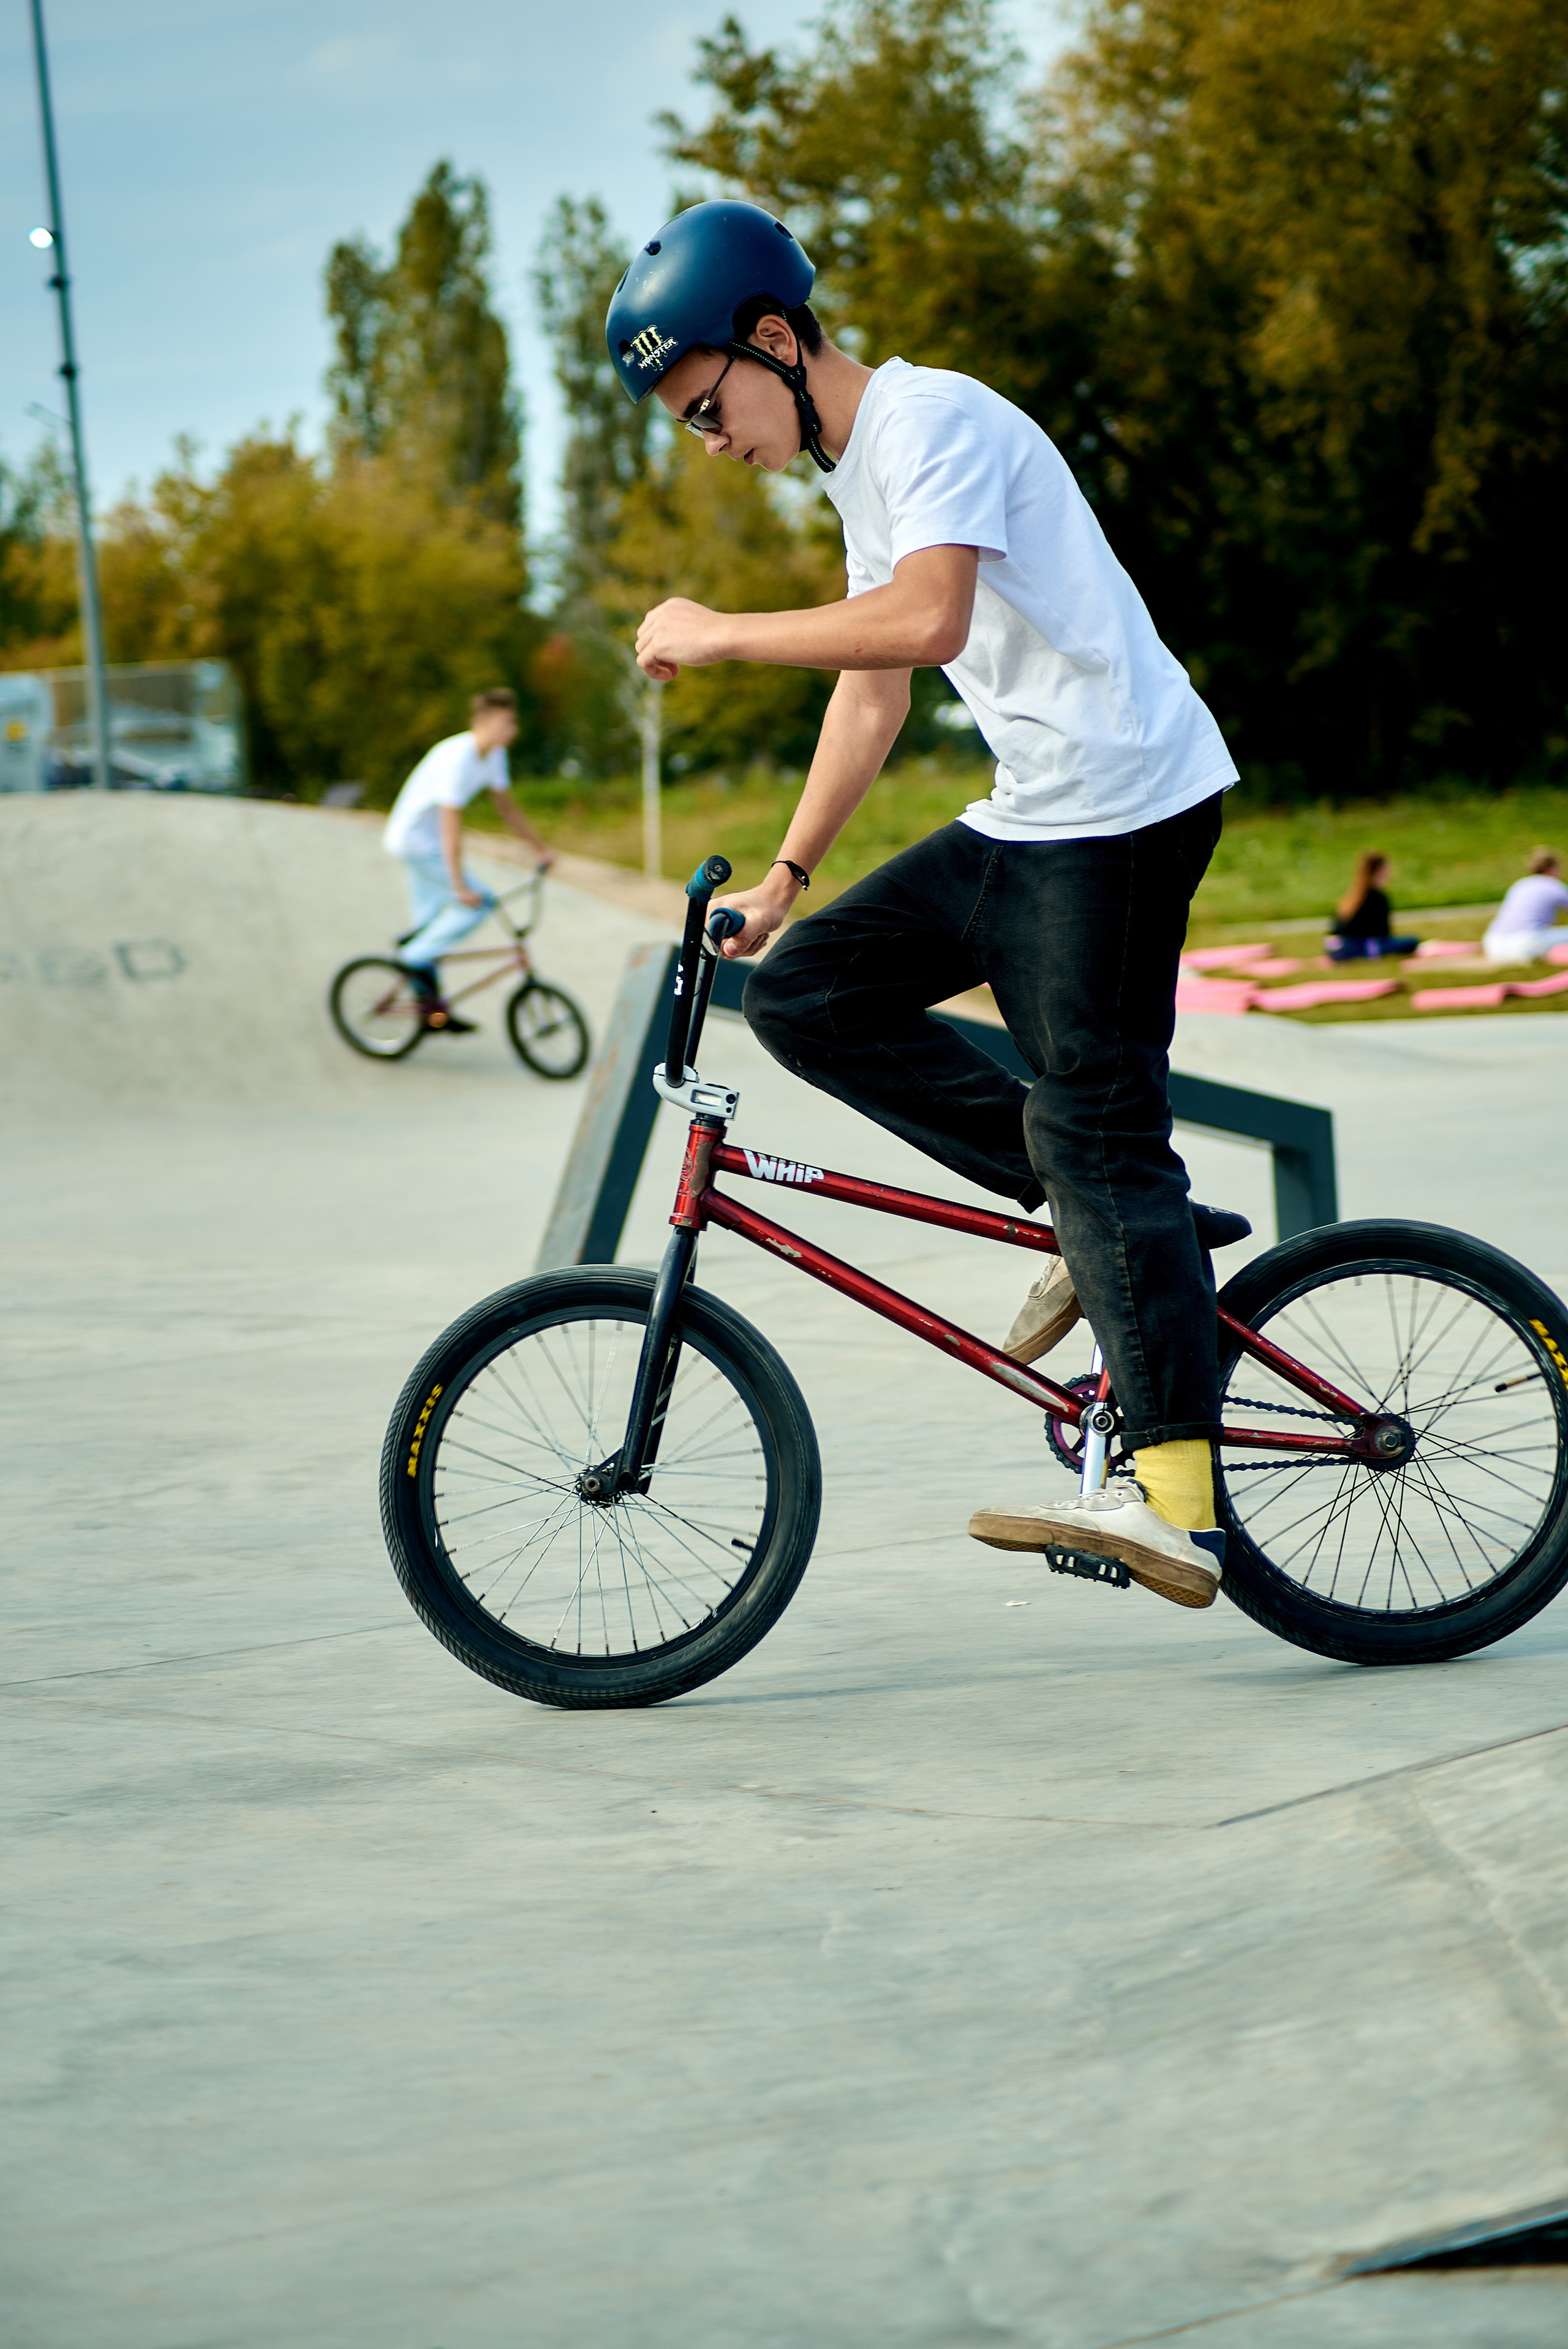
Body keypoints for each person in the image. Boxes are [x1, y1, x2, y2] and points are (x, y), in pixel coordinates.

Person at [608, 201, 1242, 1610]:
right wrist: (785, 877)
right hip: (1034, 808)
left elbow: (925, 622)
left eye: (709, 406)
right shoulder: (862, 474)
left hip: (1125, 804)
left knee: (1094, 1122)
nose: (712, 443)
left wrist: (718, 631)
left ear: (774, 338)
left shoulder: (930, 419)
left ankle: (1172, 1499)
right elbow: (873, 681)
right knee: (810, 995)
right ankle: (1108, 1234)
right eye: (688, 427)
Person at [382, 689, 552, 1031]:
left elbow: (507, 808)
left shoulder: (494, 756)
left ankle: (430, 1010)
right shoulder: (458, 759)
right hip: (416, 844)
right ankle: (412, 958)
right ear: (482, 723)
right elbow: (450, 830)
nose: (513, 731)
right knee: (480, 903)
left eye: (513, 723)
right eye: (506, 723)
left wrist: (540, 849)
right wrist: (459, 885)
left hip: (425, 844)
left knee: (429, 927)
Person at [1324, 852, 1418, 961]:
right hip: (1356, 948)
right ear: (1381, 870)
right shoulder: (1377, 897)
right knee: (1412, 942)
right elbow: (1384, 934)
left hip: (1334, 949)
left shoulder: (1353, 896)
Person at [1483, 847, 1568, 964]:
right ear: (1551, 868)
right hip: (1525, 946)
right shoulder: (1554, 885)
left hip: (1493, 946)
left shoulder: (1520, 884)